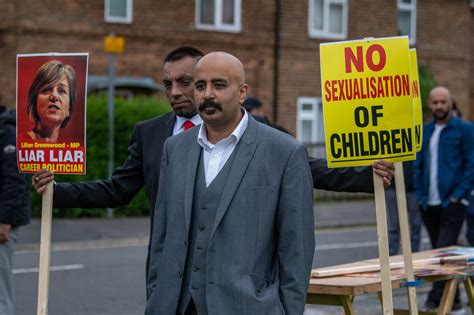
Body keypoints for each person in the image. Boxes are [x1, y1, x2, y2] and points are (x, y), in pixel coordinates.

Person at [32, 47, 394, 282]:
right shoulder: (151, 134)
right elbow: (117, 190)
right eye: (167, 84)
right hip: (173, 280)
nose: (176, 92)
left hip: (237, 279)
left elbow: (305, 168)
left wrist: (367, 177)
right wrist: (55, 193)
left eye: (186, 82)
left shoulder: (258, 132)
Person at [145, 51, 314, 314]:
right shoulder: (174, 149)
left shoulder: (284, 152)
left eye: (219, 85)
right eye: (200, 86)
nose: (207, 94)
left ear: (242, 92)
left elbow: (296, 251)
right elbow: (161, 236)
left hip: (246, 305)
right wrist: (156, 294)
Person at [414, 86, 474, 311]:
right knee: (441, 251)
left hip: (453, 203)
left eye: (443, 102)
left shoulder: (464, 129)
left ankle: (434, 299)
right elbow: (418, 165)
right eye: (435, 102)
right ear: (430, 105)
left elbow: (471, 164)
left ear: (450, 104)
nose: (439, 106)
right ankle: (455, 298)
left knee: (441, 252)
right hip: (428, 203)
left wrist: (459, 196)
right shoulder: (426, 130)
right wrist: (420, 196)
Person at [0, 105, 30, 315]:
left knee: (1, 290)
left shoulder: (8, 133)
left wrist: (4, 220)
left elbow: (16, 181)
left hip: (2, 224)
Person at [18, 60, 77, 143]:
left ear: (69, 109)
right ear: (35, 102)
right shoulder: (19, 146)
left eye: (61, 91)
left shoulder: (73, 153)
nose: (54, 96)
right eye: (46, 90)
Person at [386, 160, 421, 256]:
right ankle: (392, 256)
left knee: (415, 224)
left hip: (412, 187)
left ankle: (414, 255)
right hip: (393, 187)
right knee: (393, 225)